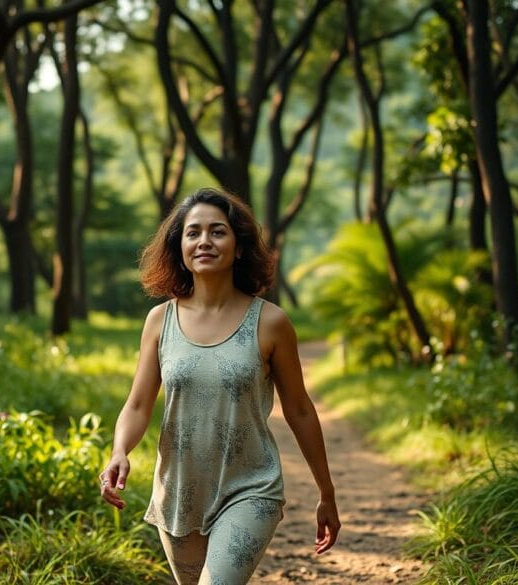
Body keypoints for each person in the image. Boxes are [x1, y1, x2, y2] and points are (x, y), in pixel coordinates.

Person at [99, 187, 340, 584]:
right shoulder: (159, 322)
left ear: (239, 246)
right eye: (193, 233)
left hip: (251, 487)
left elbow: (299, 409)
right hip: (179, 492)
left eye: (218, 231)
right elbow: (138, 404)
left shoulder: (271, 322)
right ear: (179, 247)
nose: (204, 241)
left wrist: (326, 492)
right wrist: (119, 450)